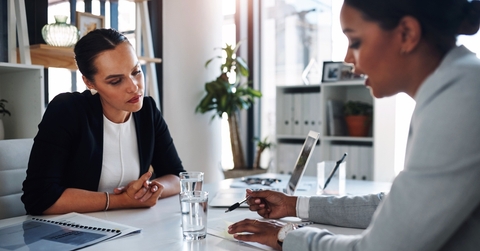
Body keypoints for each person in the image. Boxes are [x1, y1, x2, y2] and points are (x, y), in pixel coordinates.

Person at [228, 0, 480, 250]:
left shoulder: (461, 99)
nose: (347, 59)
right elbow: (396, 207)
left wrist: (285, 237)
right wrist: (293, 205)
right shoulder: (456, 85)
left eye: (355, 42)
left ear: (407, 34)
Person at [22, 28, 185, 215]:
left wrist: (147, 190)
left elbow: (177, 176)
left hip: (128, 226)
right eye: (116, 81)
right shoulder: (67, 110)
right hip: (73, 233)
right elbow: (38, 198)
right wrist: (121, 201)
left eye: (136, 72)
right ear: (89, 82)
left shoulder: (147, 111)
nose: (134, 87)